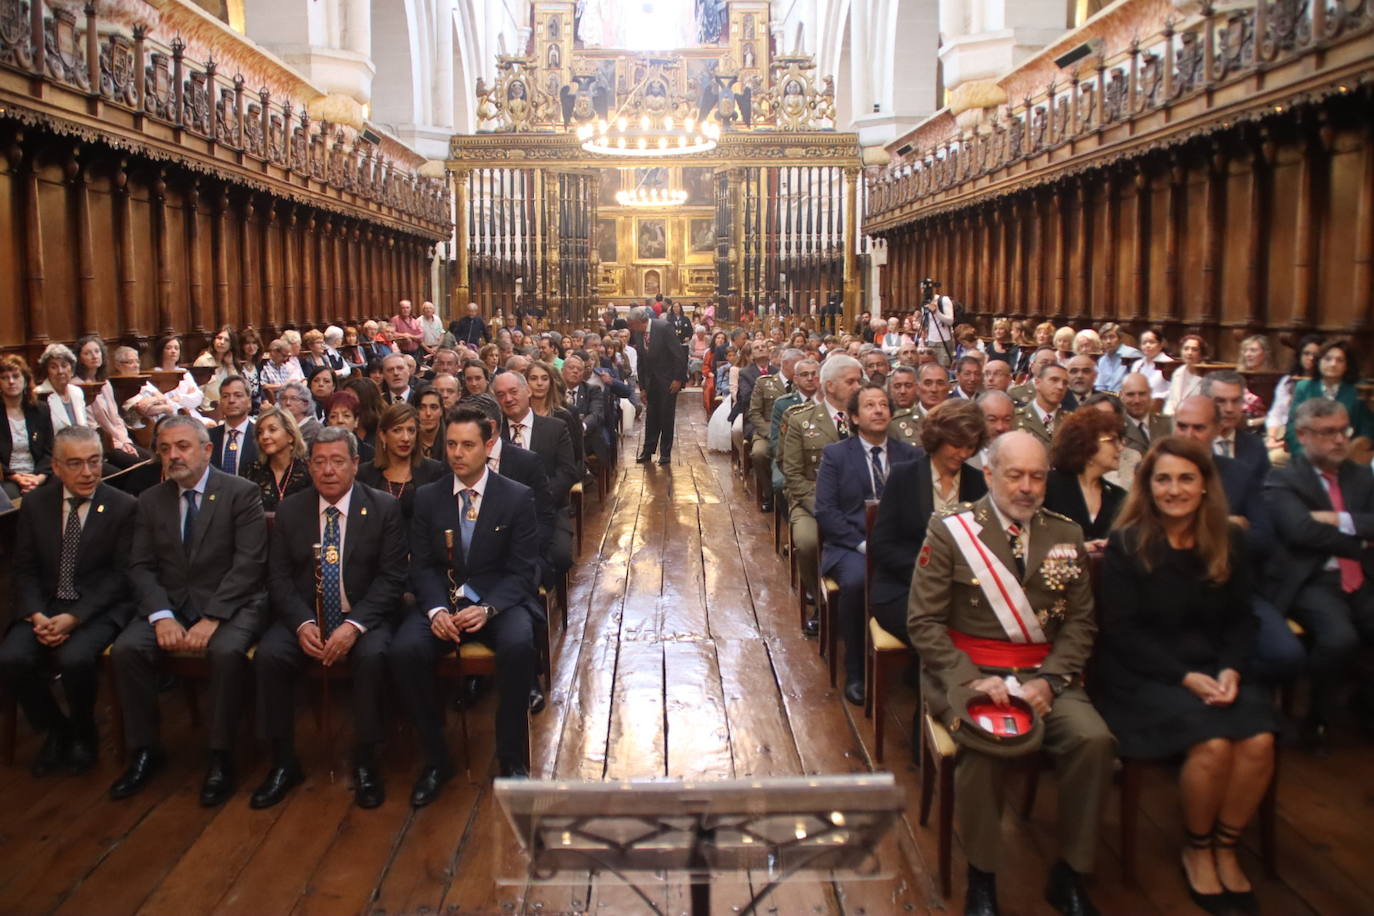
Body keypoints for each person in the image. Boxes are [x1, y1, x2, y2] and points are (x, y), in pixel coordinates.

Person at [909, 431, 1113, 916]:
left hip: (1046, 675)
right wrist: (969, 679)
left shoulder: (1065, 534)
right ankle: (983, 875)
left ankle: (1070, 872)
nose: (1026, 487)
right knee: (985, 748)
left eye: (1037, 476)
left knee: (1094, 741)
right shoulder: (950, 529)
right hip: (968, 674)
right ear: (989, 475)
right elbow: (923, 621)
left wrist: (1051, 679)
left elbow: (1082, 622)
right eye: (1015, 475)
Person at [1096, 436, 1276, 914]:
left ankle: (1225, 844)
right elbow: (1122, 633)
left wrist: (1232, 668)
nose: (1174, 489)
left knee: (1259, 741)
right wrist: (1185, 678)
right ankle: (1197, 848)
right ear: (1149, 487)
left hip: (1215, 668)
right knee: (1214, 745)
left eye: (1185, 478)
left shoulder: (1228, 540)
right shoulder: (1128, 543)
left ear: (1204, 486)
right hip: (1146, 676)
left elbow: (1243, 619)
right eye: (1163, 479)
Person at [109, 415, 268, 806]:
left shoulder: (241, 492)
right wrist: (161, 615)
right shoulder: (150, 500)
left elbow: (248, 564)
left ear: (207, 449)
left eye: (182, 446)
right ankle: (146, 750)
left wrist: (213, 617)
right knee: (128, 650)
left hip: (230, 603)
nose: (173, 456)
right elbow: (140, 566)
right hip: (171, 605)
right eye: (164, 449)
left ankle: (220, 755)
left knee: (226, 652)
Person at [250, 427, 407, 810]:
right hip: (306, 617)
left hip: (363, 617)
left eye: (338, 461)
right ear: (308, 466)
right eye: (318, 462)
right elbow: (279, 577)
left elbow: (392, 579)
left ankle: (367, 758)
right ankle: (284, 762)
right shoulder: (291, 509)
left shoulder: (383, 507)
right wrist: (303, 623)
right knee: (269, 656)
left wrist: (353, 627)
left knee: (372, 657)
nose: (328, 471)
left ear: (355, 464)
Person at [390, 408, 543, 799]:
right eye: (452, 444)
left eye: (468, 445)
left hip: (497, 602)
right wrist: (436, 610)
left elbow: (524, 571)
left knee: (518, 644)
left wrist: (488, 607)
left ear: (489, 445)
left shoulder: (516, 497)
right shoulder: (428, 497)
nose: (458, 453)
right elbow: (421, 565)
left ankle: (512, 758)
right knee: (406, 650)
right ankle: (436, 759)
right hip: (443, 601)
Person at [0, 426, 137, 776]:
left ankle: (84, 732)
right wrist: (35, 613)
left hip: (96, 608)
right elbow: (24, 568)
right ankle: (56, 730)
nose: (88, 472)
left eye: (94, 462)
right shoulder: (35, 504)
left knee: (75, 658)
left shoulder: (123, 506)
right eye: (75, 464)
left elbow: (120, 577)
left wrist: (75, 617)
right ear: (56, 468)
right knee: (11, 659)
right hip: (44, 605)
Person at [1265, 398, 1374, 749]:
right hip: (1314, 580)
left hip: (1364, 576)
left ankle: (1363, 706)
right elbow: (1300, 530)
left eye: (1344, 430)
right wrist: (1358, 541)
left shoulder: (1362, 475)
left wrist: (1336, 520)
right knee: (1340, 638)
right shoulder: (1283, 478)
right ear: (1303, 435)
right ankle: (1317, 715)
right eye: (1329, 433)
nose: (1340, 440)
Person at [815, 383, 921, 703]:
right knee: (859, 581)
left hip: (898, 545)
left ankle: (918, 664)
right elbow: (826, 511)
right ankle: (856, 668)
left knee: (925, 578)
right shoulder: (836, 455)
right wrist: (863, 545)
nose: (878, 410)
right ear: (855, 418)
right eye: (870, 406)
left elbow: (919, 507)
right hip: (851, 545)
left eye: (883, 405)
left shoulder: (910, 454)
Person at [869, 399, 987, 646]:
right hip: (903, 586)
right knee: (932, 627)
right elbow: (882, 545)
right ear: (937, 439)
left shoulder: (978, 483)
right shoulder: (904, 476)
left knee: (976, 628)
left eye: (970, 447)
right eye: (956, 445)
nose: (964, 454)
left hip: (961, 591)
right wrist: (930, 575)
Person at [782, 354, 863, 636]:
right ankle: (821, 603)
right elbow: (792, 473)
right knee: (807, 540)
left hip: (860, 502)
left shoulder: (866, 418)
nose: (858, 386)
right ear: (830, 386)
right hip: (812, 500)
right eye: (851, 381)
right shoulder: (801, 420)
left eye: (859, 380)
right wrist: (823, 508)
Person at [493, 370, 577, 579]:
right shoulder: (494, 433)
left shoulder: (555, 427)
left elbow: (567, 472)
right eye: (501, 395)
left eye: (513, 392)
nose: (509, 399)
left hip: (548, 508)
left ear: (527, 391)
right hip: (500, 514)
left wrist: (537, 497)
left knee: (560, 557)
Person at [1044, 407, 1127, 548]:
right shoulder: (1049, 486)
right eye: (1112, 440)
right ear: (1086, 443)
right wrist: (1079, 548)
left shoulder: (1119, 497)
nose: (1120, 448)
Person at [356, 402, 447, 521]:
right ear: (383, 435)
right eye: (397, 430)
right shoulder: (364, 474)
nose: (406, 438)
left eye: (411, 430)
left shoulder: (434, 472)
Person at [1283, 340, 1374, 457]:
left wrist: (1354, 450)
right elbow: (1292, 426)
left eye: (1339, 360)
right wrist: (1303, 452)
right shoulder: (1304, 387)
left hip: (1346, 455)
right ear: (1318, 362)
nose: (1333, 364)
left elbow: (1367, 429)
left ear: (1346, 366)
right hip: (1309, 454)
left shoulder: (1357, 390)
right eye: (1328, 359)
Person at [73, 336, 147, 469]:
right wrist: (120, 444)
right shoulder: (78, 386)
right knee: (139, 467)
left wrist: (125, 441)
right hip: (102, 443)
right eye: (87, 353)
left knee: (151, 461)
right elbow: (92, 424)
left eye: (97, 351)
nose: (94, 356)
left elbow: (116, 417)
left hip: (120, 439)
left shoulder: (105, 382)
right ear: (79, 358)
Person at [628, 305, 689, 465]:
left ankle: (665, 453)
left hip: (668, 380)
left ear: (639, 321)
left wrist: (678, 379)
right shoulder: (638, 333)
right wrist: (642, 388)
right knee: (652, 417)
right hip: (650, 382)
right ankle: (647, 451)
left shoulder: (663, 327)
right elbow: (641, 361)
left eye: (631, 324)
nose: (630, 327)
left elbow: (679, 355)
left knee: (666, 416)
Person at [748, 349, 800, 512]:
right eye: (797, 365)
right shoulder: (764, 382)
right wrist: (769, 432)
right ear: (786, 364)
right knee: (759, 453)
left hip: (796, 431)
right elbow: (754, 412)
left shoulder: (803, 384)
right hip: (769, 429)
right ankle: (769, 494)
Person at [1, 354, 53, 499]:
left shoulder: (40, 410)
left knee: (61, 488)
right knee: (11, 498)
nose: (11, 381)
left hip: (39, 473)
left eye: (15, 376)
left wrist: (38, 478)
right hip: (8, 477)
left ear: (25, 380)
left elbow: (50, 451)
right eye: (4, 377)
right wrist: (16, 477)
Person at [243, 406, 311, 512]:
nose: (264, 436)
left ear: (290, 436)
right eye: (260, 432)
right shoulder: (251, 471)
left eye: (272, 430)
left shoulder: (309, 471)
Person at [1265, 334, 1322, 457]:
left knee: (1273, 457)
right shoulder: (1287, 381)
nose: (1311, 358)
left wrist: (1285, 441)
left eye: (1315, 355)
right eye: (1306, 353)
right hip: (1279, 431)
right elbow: (1276, 413)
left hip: (1303, 436)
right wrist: (1271, 438)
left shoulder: (1321, 384)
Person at [1014, 362, 1071, 446]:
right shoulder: (1015, 418)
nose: (1060, 387)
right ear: (1037, 383)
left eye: (1065, 383)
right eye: (1054, 380)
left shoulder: (1071, 422)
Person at [209, 376, 257, 474]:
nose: (231, 400)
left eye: (238, 395)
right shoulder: (208, 437)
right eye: (225, 396)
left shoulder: (260, 435)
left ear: (249, 402)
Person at [1120, 371, 1172, 455]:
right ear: (1121, 396)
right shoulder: (1116, 427)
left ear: (1150, 393)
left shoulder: (1168, 424)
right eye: (1130, 394)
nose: (1137, 400)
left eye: (1142, 394)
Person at [324, 389, 375, 463]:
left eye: (346, 416)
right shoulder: (320, 451)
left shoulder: (369, 454)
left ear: (356, 421)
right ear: (328, 423)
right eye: (333, 416)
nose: (340, 420)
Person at [1164, 334, 1207, 416]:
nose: (1189, 353)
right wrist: (1169, 414)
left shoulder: (1205, 374)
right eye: (1186, 349)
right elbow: (1171, 400)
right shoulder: (1178, 372)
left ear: (1201, 354)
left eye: (1194, 349)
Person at [193, 326, 238, 403]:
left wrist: (230, 365)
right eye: (219, 338)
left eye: (226, 340)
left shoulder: (229, 363)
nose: (222, 342)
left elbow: (236, 387)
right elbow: (196, 392)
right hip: (208, 409)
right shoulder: (203, 361)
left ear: (231, 345)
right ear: (214, 340)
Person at [277, 380, 322, 445]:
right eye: (284, 398)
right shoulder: (279, 427)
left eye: (293, 398)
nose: (287, 403)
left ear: (305, 404)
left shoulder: (314, 429)